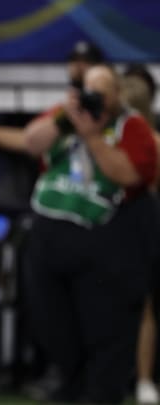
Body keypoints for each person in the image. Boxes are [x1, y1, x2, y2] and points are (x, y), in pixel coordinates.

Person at [0, 64, 157, 402]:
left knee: (105, 335)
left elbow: (130, 175)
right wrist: (64, 117)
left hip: (105, 243)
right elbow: (31, 141)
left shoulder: (132, 126)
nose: (93, 97)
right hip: (49, 238)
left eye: (102, 90)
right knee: (55, 329)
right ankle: (68, 380)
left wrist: (93, 136)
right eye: (88, 88)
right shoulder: (63, 116)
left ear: (117, 94)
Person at [122, 63, 160, 405]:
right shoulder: (103, 143)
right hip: (110, 227)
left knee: (146, 306)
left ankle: (145, 378)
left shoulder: (155, 143)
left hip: (145, 226)